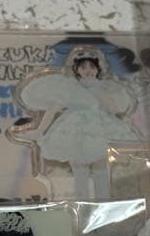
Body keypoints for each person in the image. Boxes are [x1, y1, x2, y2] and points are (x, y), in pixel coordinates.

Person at [15, 51, 139, 198]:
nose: (88, 71)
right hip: (75, 130)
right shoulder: (70, 87)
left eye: (92, 67)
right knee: (80, 170)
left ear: (98, 69)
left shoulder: (105, 87)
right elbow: (53, 110)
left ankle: (103, 200)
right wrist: (39, 131)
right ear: (76, 70)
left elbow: (114, 109)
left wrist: (98, 92)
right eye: (83, 67)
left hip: (99, 128)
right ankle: (82, 202)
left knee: (101, 168)